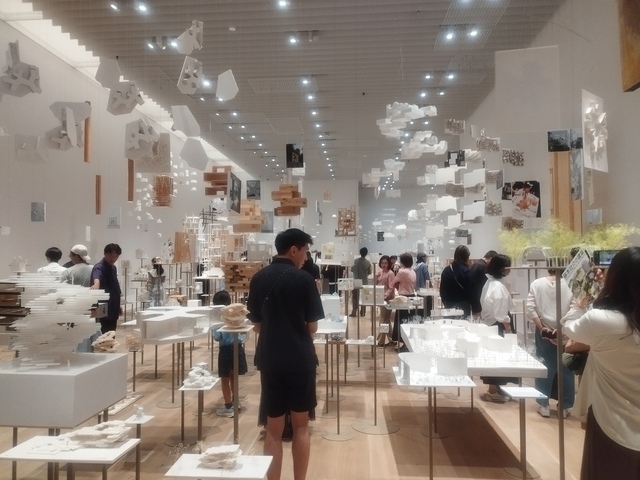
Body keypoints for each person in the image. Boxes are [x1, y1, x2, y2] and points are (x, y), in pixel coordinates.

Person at [247, 228, 324, 480]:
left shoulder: (258, 278)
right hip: (300, 359)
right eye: (305, 251)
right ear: (293, 250)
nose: (306, 257)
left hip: (270, 358)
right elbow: (312, 327)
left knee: (273, 429)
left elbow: (256, 325)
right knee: (301, 428)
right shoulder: (304, 280)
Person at [562, 247, 640, 479]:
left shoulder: (602, 320)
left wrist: (581, 301)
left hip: (613, 421)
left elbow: (569, 328)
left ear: (614, 277)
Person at [527, 269, 574, 418]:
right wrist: (563, 328)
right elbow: (575, 309)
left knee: (544, 367)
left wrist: (542, 327)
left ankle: (543, 404)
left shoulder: (537, 284)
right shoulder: (571, 284)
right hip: (566, 331)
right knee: (567, 369)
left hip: (544, 331)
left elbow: (530, 308)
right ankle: (564, 406)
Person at [479, 254, 518, 402]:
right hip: (498, 325)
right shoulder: (498, 287)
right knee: (499, 357)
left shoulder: (490, 283)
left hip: (491, 324)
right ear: (502, 269)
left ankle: (495, 388)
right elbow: (501, 314)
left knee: (494, 357)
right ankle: (493, 391)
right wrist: (509, 330)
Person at [212, 290, 248, 418]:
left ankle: (228, 407)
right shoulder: (235, 314)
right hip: (238, 348)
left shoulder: (218, 319)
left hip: (225, 350)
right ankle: (235, 401)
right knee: (234, 377)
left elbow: (217, 337)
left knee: (224, 379)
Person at [90, 243, 122, 333]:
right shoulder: (99, 267)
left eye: (116, 256)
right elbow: (97, 277)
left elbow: (115, 286)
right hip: (103, 306)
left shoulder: (113, 268)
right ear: (105, 254)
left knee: (112, 331)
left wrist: (118, 306)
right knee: (103, 332)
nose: (113, 258)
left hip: (113, 306)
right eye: (111, 255)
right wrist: (96, 284)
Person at [390, 253, 416, 346]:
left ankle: (403, 342)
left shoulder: (402, 272)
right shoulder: (412, 271)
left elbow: (392, 283)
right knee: (409, 320)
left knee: (401, 320)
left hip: (403, 297)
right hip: (412, 296)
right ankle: (407, 343)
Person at [439, 245, 473, 316]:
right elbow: (471, 291)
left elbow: (442, 291)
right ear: (466, 257)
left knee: (449, 322)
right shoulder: (467, 272)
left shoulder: (446, 270)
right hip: (463, 307)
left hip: (448, 306)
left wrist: (446, 302)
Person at [468, 250, 497, 317]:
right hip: (479, 299)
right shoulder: (483, 267)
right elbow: (485, 285)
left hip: (473, 299)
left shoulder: (475, 264)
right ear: (491, 259)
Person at [375, 255, 395, 346]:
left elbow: (391, 287)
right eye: (382, 263)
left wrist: (385, 296)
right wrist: (376, 277)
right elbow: (375, 284)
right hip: (380, 298)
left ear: (389, 264)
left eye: (386, 263)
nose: (384, 265)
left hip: (388, 299)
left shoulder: (390, 273)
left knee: (383, 319)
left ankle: (380, 341)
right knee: (386, 319)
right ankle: (391, 339)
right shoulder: (380, 272)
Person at [350, 247, 371, 317]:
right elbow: (369, 272)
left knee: (355, 297)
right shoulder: (368, 262)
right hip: (364, 282)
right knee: (364, 297)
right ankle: (363, 312)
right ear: (366, 253)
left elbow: (352, 270)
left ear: (360, 253)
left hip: (356, 281)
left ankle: (354, 312)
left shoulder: (355, 261)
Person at [414, 252, 433, 317]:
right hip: (425, 290)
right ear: (423, 257)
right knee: (427, 309)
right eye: (426, 257)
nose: (426, 258)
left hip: (418, 291)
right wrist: (431, 287)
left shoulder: (416, 266)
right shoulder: (424, 266)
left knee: (420, 309)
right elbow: (427, 278)